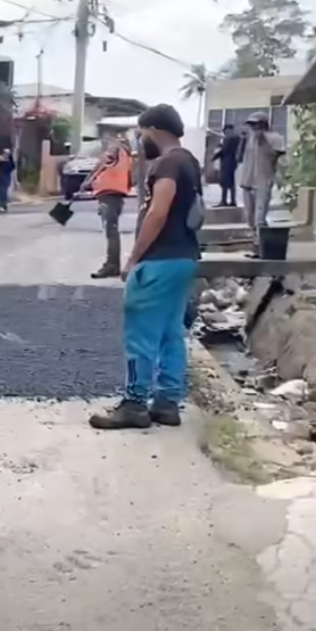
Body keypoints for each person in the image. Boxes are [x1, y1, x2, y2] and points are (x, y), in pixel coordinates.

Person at [89, 103, 202, 431]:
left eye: (141, 133)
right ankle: (167, 403)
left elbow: (158, 212)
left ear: (153, 130)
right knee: (170, 333)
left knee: (140, 332)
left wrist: (134, 258)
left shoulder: (167, 163)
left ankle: (134, 404)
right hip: (183, 259)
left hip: (159, 260)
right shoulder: (189, 161)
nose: (140, 140)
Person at [80, 134, 135, 279]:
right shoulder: (125, 154)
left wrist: (88, 181)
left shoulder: (115, 150)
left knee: (111, 230)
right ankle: (112, 264)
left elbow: (103, 164)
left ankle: (112, 265)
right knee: (111, 229)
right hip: (113, 193)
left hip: (110, 192)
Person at [236, 111, 285, 257]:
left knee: (260, 218)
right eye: (251, 125)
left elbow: (279, 155)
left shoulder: (274, 138)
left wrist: (263, 139)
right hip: (248, 181)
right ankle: (256, 246)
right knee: (249, 218)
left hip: (263, 181)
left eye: (255, 124)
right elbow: (239, 157)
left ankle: (262, 248)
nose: (253, 128)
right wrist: (242, 141)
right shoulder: (250, 139)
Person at [210, 123, 242, 208]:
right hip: (233, 162)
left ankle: (223, 201)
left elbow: (224, 150)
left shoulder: (228, 137)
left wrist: (214, 157)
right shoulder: (237, 137)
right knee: (231, 183)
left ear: (226, 130)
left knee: (224, 182)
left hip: (226, 162)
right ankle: (233, 201)